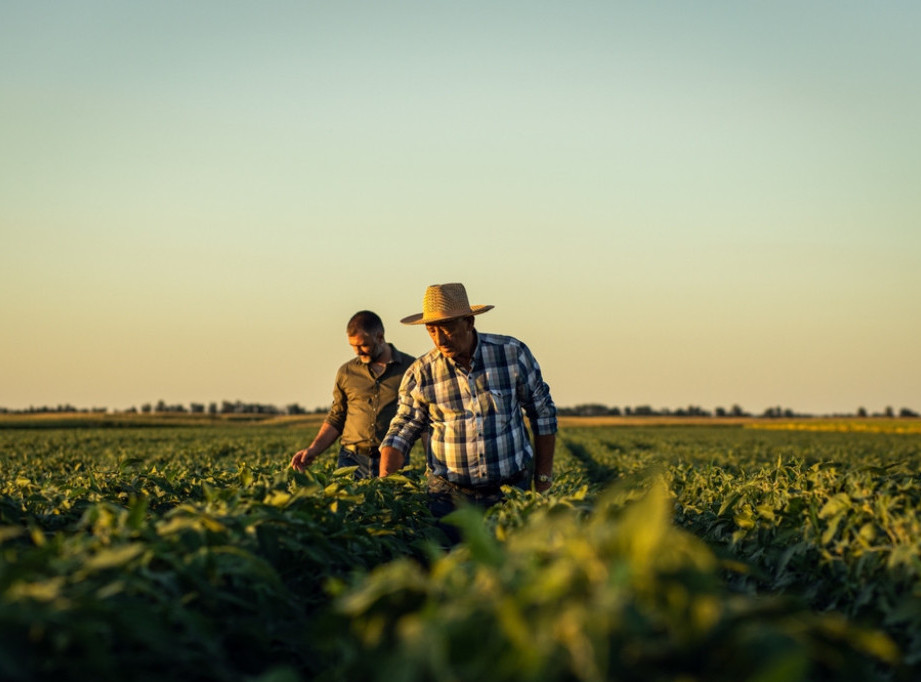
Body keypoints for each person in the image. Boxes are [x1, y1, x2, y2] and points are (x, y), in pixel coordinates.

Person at [379, 283, 557, 540]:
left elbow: (543, 414)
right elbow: (401, 431)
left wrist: (543, 479)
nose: (440, 339)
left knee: (508, 568)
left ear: (469, 322)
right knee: (449, 568)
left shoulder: (511, 354)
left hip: (509, 492)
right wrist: (386, 485)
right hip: (447, 496)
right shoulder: (421, 373)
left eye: (448, 328)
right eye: (432, 330)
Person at [290, 310, 416, 479]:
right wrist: (313, 449)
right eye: (353, 346)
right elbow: (336, 416)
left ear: (380, 337)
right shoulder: (347, 372)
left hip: (393, 458)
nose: (358, 352)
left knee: (392, 504)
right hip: (351, 460)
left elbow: (421, 418)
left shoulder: (410, 369)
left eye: (363, 345)